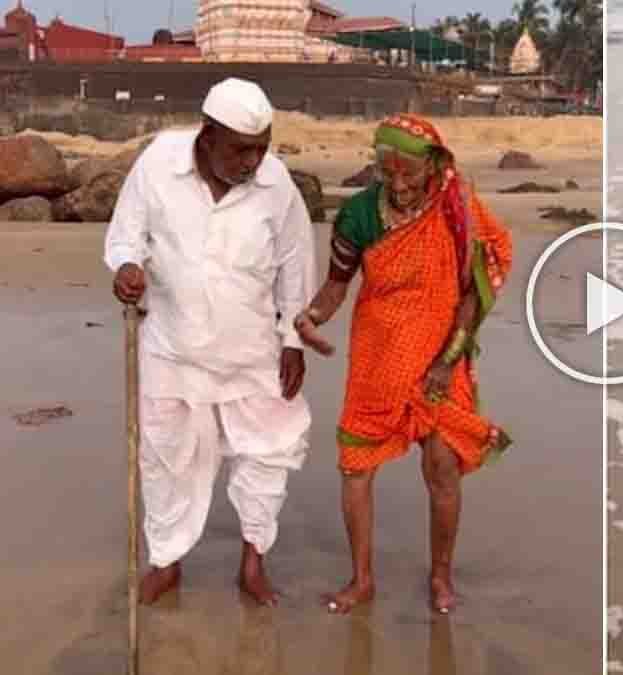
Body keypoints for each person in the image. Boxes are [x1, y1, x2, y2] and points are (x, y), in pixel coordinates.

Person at [105, 77, 318, 607]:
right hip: (171, 348)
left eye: (262, 148)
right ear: (207, 135)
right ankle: (166, 562)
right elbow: (127, 232)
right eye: (241, 149)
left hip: (251, 351)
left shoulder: (276, 184)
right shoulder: (158, 163)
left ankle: (253, 562)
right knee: (165, 457)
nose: (253, 161)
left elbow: (296, 262)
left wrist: (293, 337)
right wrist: (127, 266)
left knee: (270, 451)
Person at [294, 114, 514, 615]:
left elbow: (474, 291)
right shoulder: (358, 217)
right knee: (356, 468)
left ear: (434, 165)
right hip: (377, 358)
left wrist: (448, 359)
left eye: (409, 174)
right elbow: (335, 287)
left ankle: (440, 577)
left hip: (442, 357)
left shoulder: (458, 212)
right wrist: (309, 318)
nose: (398, 185)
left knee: (442, 468)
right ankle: (362, 579)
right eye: (386, 173)